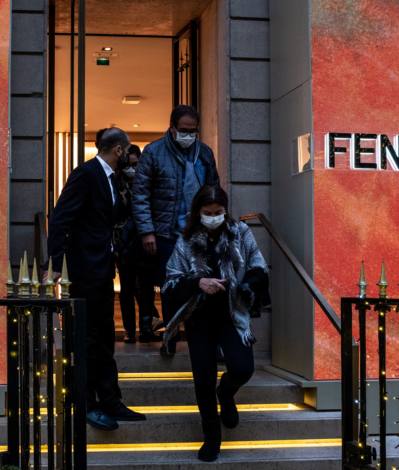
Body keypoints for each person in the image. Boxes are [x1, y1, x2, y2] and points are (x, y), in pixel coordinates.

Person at [44, 127, 146, 431]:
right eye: (128, 152)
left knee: (104, 339)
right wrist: (56, 263)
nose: (129, 157)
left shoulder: (112, 179)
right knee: (88, 339)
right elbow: (61, 216)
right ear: (118, 150)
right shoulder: (86, 174)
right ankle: (87, 405)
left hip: (102, 268)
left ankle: (111, 401)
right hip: (86, 269)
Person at [161, 185, 270, 462]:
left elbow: (259, 266)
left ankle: (226, 391)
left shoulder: (240, 233)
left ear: (225, 210)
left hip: (233, 313)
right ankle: (211, 436)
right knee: (203, 376)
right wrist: (198, 282)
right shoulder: (185, 240)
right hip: (199, 316)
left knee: (243, 368)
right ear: (198, 211)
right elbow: (171, 280)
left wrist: (248, 284)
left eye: (218, 212)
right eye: (208, 213)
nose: (213, 217)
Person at [132, 105, 220, 355]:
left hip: (200, 232)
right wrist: (147, 231)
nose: (188, 135)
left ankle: (209, 342)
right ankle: (170, 336)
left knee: (207, 285)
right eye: (183, 130)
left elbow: (214, 189)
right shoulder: (153, 152)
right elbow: (140, 195)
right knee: (171, 287)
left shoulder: (204, 153)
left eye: (193, 131)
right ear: (172, 128)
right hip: (166, 234)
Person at [112, 144, 159, 343]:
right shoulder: (115, 182)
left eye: (136, 164)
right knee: (127, 289)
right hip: (123, 242)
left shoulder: (147, 181)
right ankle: (130, 330)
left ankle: (146, 329)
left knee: (147, 287)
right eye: (130, 165)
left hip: (143, 241)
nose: (133, 168)